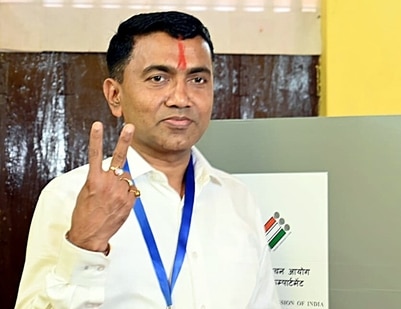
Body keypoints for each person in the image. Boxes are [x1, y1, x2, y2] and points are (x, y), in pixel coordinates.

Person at [15, 11, 281, 308]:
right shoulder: (67, 196)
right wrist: (84, 244)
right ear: (115, 95)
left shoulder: (237, 199)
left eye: (197, 79)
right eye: (158, 78)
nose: (181, 98)